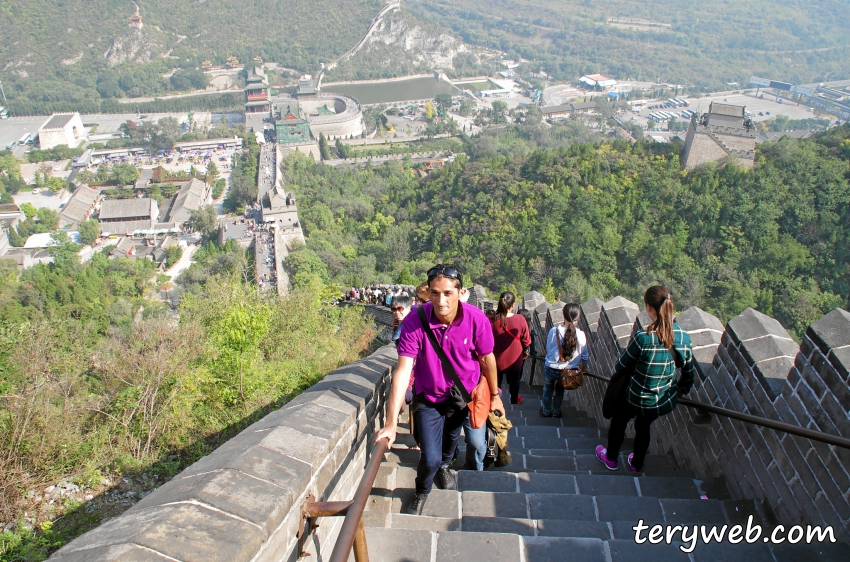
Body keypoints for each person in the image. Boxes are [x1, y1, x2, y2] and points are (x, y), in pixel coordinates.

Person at [375, 265, 502, 515]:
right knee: (429, 457)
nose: (440, 301)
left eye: (447, 293)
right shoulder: (416, 320)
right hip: (428, 397)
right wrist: (391, 424)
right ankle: (422, 490)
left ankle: (445, 467)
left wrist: (496, 396)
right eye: (434, 293)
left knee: (451, 442)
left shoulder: (476, 319)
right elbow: (402, 371)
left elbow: (488, 358)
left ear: (461, 292)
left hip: (460, 397)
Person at [597, 286, 695, 473]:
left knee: (619, 422)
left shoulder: (644, 337)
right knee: (643, 426)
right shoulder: (683, 337)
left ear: (649, 308)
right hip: (660, 400)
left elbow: (620, 365)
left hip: (634, 396)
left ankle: (610, 459)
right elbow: (689, 373)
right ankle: (636, 464)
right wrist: (681, 389)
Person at [541, 303, 588, 418]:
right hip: (568, 371)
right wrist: (583, 368)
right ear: (578, 317)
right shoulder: (581, 335)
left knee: (547, 390)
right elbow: (584, 356)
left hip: (551, 368)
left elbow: (548, 349)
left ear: (563, 315)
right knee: (560, 391)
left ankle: (546, 411)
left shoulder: (554, 331)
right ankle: (556, 412)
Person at [491, 292, 531, 405]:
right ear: (512, 305)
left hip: (496, 361)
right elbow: (527, 340)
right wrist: (525, 350)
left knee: (496, 382)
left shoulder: (493, 320)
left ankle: (496, 403)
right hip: (515, 360)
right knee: (515, 381)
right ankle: (514, 401)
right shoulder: (520, 319)